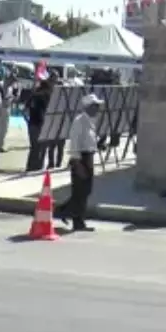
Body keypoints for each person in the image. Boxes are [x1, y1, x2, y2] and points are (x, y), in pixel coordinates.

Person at [55, 94, 103, 232]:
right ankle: (62, 212)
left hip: (88, 157)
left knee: (85, 191)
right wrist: (77, 163)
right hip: (80, 159)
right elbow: (74, 144)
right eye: (95, 106)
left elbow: (89, 142)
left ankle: (76, 220)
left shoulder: (91, 122)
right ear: (88, 107)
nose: (98, 109)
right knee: (80, 191)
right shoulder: (79, 121)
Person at [24, 80, 51, 172]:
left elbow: (24, 110)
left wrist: (27, 120)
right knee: (40, 146)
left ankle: (30, 166)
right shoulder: (45, 97)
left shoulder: (33, 96)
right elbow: (45, 112)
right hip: (40, 124)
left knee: (33, 146)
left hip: (32, 123)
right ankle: (37, 166)